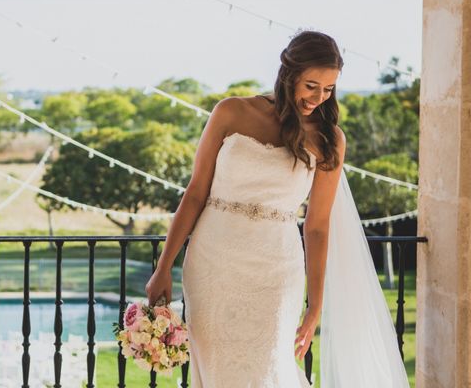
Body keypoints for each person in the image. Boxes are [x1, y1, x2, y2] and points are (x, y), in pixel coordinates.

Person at [145, 30, 410, 387]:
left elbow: (316, 227)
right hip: (213, 265)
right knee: (217, 371)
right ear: (289, 74)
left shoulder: (329, 140)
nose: (318, 97)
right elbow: (194, 194)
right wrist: (163, 267)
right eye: (311, 85)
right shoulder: (231, 111)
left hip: (275, 271)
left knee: (267, 369)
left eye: (329, 88)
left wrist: (314, 305)